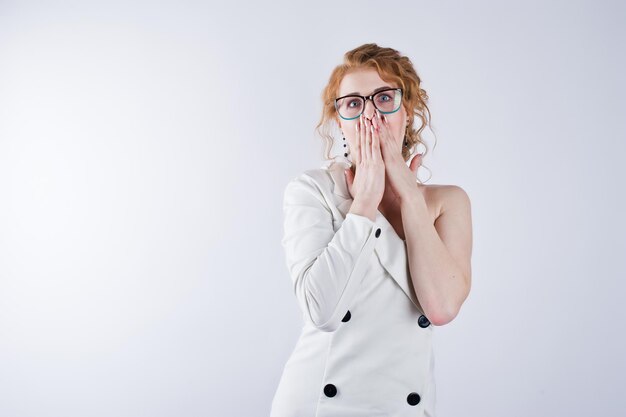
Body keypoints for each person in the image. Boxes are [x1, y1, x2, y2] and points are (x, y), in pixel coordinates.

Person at [270, 43, 473, 417]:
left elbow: (442, 307)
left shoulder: (449, 201)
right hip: (317, 406)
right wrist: (363, 204)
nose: (370, 116)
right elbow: (322, 312)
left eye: (383, 98)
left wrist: (410, 197)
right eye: (353, 104)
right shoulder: (312, 190)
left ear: (406, 111)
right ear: (340, 120)